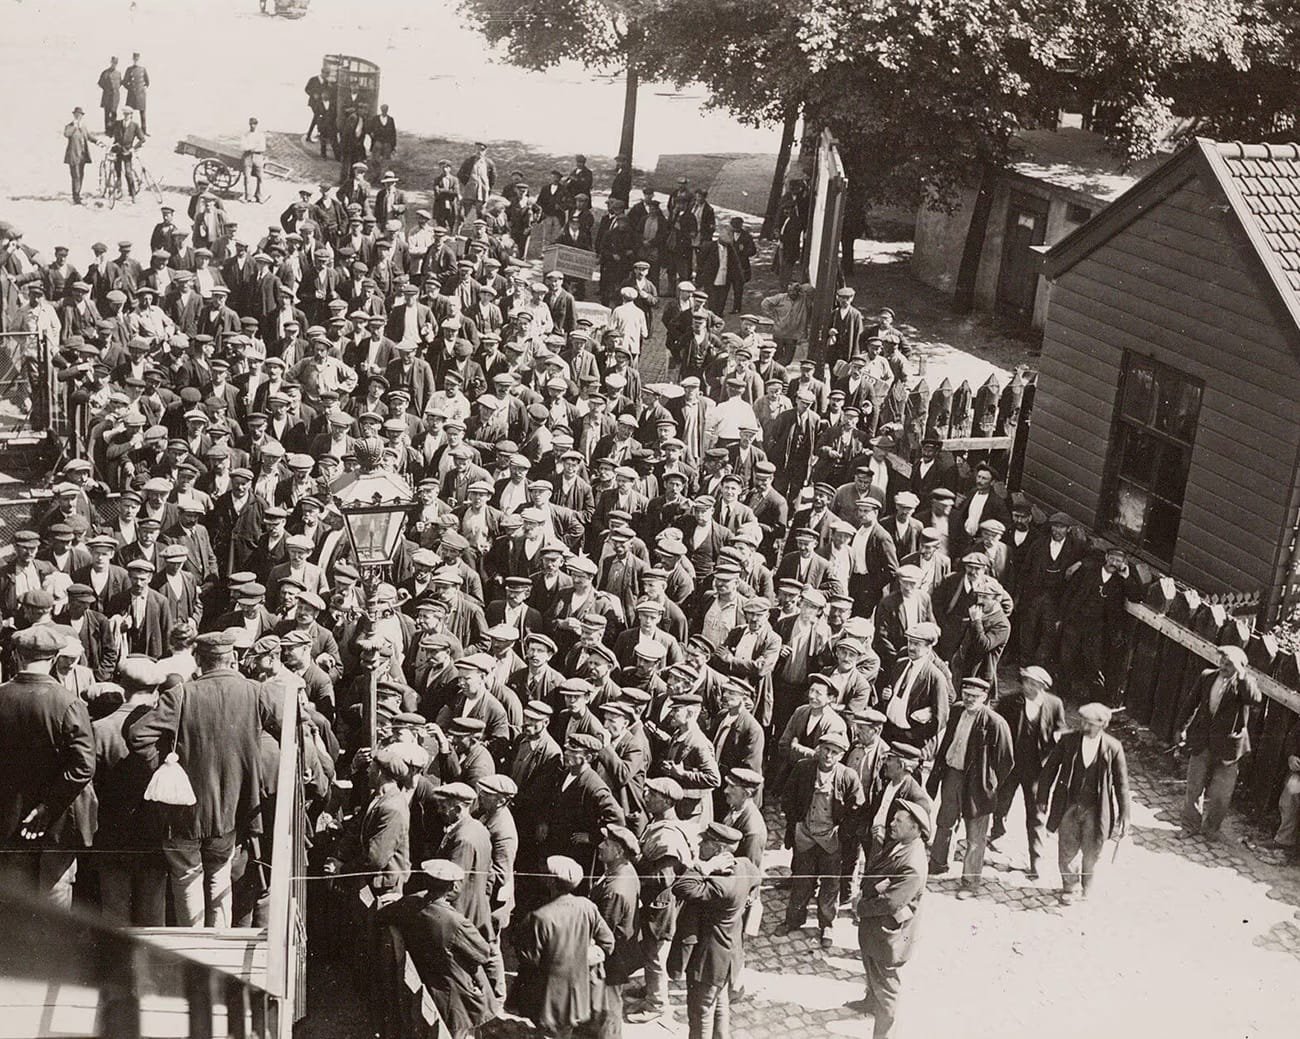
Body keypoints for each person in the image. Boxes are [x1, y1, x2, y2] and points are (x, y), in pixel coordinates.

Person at [128, 629, 279, 927]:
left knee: (186, 876)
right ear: (233, 658)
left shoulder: (181, 693)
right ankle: (218, 942)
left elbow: (138, 735)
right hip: (232, 808)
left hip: (184, 807)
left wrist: (164, 766)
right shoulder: (256, 692)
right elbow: (290, 727)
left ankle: (193, 946)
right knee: (220, 873)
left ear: (199, 660)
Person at [0, 626, 95, 910]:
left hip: (8, 817)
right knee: (55, 896)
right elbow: (83, 766)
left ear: (17, 656)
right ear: (54, 658)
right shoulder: (68, 703)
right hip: (59, 820)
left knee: (15, 900)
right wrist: (47, 806)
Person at [377, 859, 495, 1038]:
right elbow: (484, 953)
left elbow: (383, 915)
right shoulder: (456, 922)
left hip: (424, 983)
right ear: (453, 887)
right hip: (452, 999)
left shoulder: (410, 904)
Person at [925, 676, 1013, 897]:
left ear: (985, 697)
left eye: (975, 697)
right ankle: (938, 863)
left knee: (975, 835)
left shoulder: (995, 722)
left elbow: (1006, 761)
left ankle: (970, 882)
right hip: (952, 774)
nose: (969, 700)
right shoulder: (957, 711)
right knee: (945, 821)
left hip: (977, 783)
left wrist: (989, 783)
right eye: (966, 695)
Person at [672, 820, 761, 1039]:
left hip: (709, 958)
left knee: (701, 1012)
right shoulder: (744, 866)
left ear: (719, 850)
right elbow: (756, 878)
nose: (700, 845)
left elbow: (681, 887)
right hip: (729, 954)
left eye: (705, 843)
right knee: (719, 1004)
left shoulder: (719, 884)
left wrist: (706, 867)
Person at [510, 854, 614, 1037]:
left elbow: (529, 958)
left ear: (551, 882)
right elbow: (608, 943)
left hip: (549, 996)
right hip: (581, 991)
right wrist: (580, 958)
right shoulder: (587, 906)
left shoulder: (540, 917)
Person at [1036, 702, 1130, 904]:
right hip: (1069, 804)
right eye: (1083, 722)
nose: (1084, 726)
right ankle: (1070, 887)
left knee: (1092, 850)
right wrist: (1042, 799)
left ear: (1102, 724)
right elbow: (1049, 770)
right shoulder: (1068, 741)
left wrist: (1125, 815)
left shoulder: (1113, 748)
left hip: (1096, 809)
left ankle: (1087, 886)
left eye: (1090, 724)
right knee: (1066, 848)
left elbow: (1122, 784)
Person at [850, 799, 929, 1039]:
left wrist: (859, 906)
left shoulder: (913, 865)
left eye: (898, 821)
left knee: (887, 988)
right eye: (893, 818)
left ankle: (884, 1034)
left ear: (915, 829)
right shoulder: (900, 844)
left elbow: (891, 903)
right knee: (870, 967)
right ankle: (869, 1002)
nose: (891, 823)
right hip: (876, 930)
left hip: (890, 935)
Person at [779, 730, 864, 947]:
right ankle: (793, 919)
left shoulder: (848, 777)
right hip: (805, 836)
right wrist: (796, 822)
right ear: (819, 749)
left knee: (830, 884)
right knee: (802, 880)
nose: (828, 755)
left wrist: (842, 834)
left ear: (841, 755)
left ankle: (827, 925)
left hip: (831, 841)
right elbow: (787, 796)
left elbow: (857, 808)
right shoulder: (803, 768)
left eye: (834, 752)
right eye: (826, 749)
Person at [1175, 645, 1261, 842]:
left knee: (1221, 794)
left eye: (1229, 663)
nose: (1223, 665)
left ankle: (1211, 829)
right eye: (1222, 661)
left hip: (1228, 748)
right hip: (1202, 741)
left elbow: (1254, 699)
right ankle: (1189, 825)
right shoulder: (1207, 676)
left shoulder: (1245, 683)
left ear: (1239, 666)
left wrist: (1241, 675)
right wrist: (1181, 728)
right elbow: (1191, 703)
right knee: (1194, 787)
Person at [992, 665, 1065, 878]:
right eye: (1026, 682)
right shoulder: (1010, 701)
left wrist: (1058, 738)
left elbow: (1059, 728)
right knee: (1001, 801)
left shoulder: (1054, 704)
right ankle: (997, 833)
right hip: (1011, 765)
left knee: (1036, 813)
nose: (1028, 687)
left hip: (1036, 769)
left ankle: (1036, 860)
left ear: (1043, 687)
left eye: (1034, 684)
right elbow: (997, 726)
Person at [63, 107, 96, 206]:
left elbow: (88, 137)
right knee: (75, 176)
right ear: (74, 115)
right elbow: (66, 134)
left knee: (81, 175)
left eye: (80, 115)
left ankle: (77, 193)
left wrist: (98, 142)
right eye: (76, 114)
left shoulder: (83, 127)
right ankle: (76, 196)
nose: (78, 116)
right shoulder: (69, 126)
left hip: (83, 155)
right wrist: (74, 126)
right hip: (73, 155)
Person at [240, 117, 267, 204]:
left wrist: (251, 147)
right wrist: (254, 146)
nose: (252, 126)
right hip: (247, 157)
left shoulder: (260, 135)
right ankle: (248, 197)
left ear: (256, 125)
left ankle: (259, 196)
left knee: (260, 177)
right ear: (249, 124)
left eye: (254, 124)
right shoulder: (245, 135)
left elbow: (262, 148)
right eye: (251, 124)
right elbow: (243, 147)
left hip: (258, 157)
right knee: (247, 177)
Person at [123, 51, 150, 135]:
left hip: (141, 95)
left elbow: (147, 82)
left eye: (137, 59)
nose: (136, 61)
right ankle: (128, 130)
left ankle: (144, 131)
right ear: (133, 60)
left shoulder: (143, 69)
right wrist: (130, 89)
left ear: (139, 59)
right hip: (132, 95)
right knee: (129, 113)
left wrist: (142, 89)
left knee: (142, 114)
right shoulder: (129, 69)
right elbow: (124, 82)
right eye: (135, 59)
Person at [97, 56, 122, 132]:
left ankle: (113, 130)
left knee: (114, 113)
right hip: (107, 96)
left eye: (116, 63)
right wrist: (107, 89)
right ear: (111, 63)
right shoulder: (105, 73)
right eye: (113, 63)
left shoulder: (118, 73)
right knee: (107, 113)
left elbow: (120, 83)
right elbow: (100, 83)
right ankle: (107, 130)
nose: (114, 64)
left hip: (115, 96)